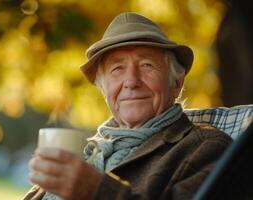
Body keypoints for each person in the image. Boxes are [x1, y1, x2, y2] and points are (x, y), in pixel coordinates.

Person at [22, 12, 233, 200]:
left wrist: (95, 191)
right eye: (117, 69)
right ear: (104, 89)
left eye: (146, 65)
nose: (131, 81)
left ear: (176, 84)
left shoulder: (206, 148)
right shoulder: (89, 151)